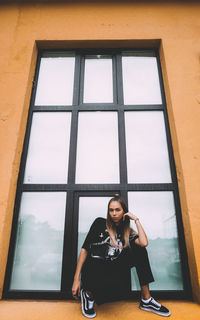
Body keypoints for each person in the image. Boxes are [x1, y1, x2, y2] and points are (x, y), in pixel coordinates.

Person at [72, 194, 171, 318]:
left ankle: (146, 300)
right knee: (98, 259)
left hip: (112, 274)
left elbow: (144, 243)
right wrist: (76, 279)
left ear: (124, 211)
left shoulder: (127, 233)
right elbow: (84, 250)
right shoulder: (99, 223)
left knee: (140, 249)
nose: (114, 213)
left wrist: (136, 220)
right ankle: (88, 295)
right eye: (111, 210)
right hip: (94, 272)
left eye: (117, 210)